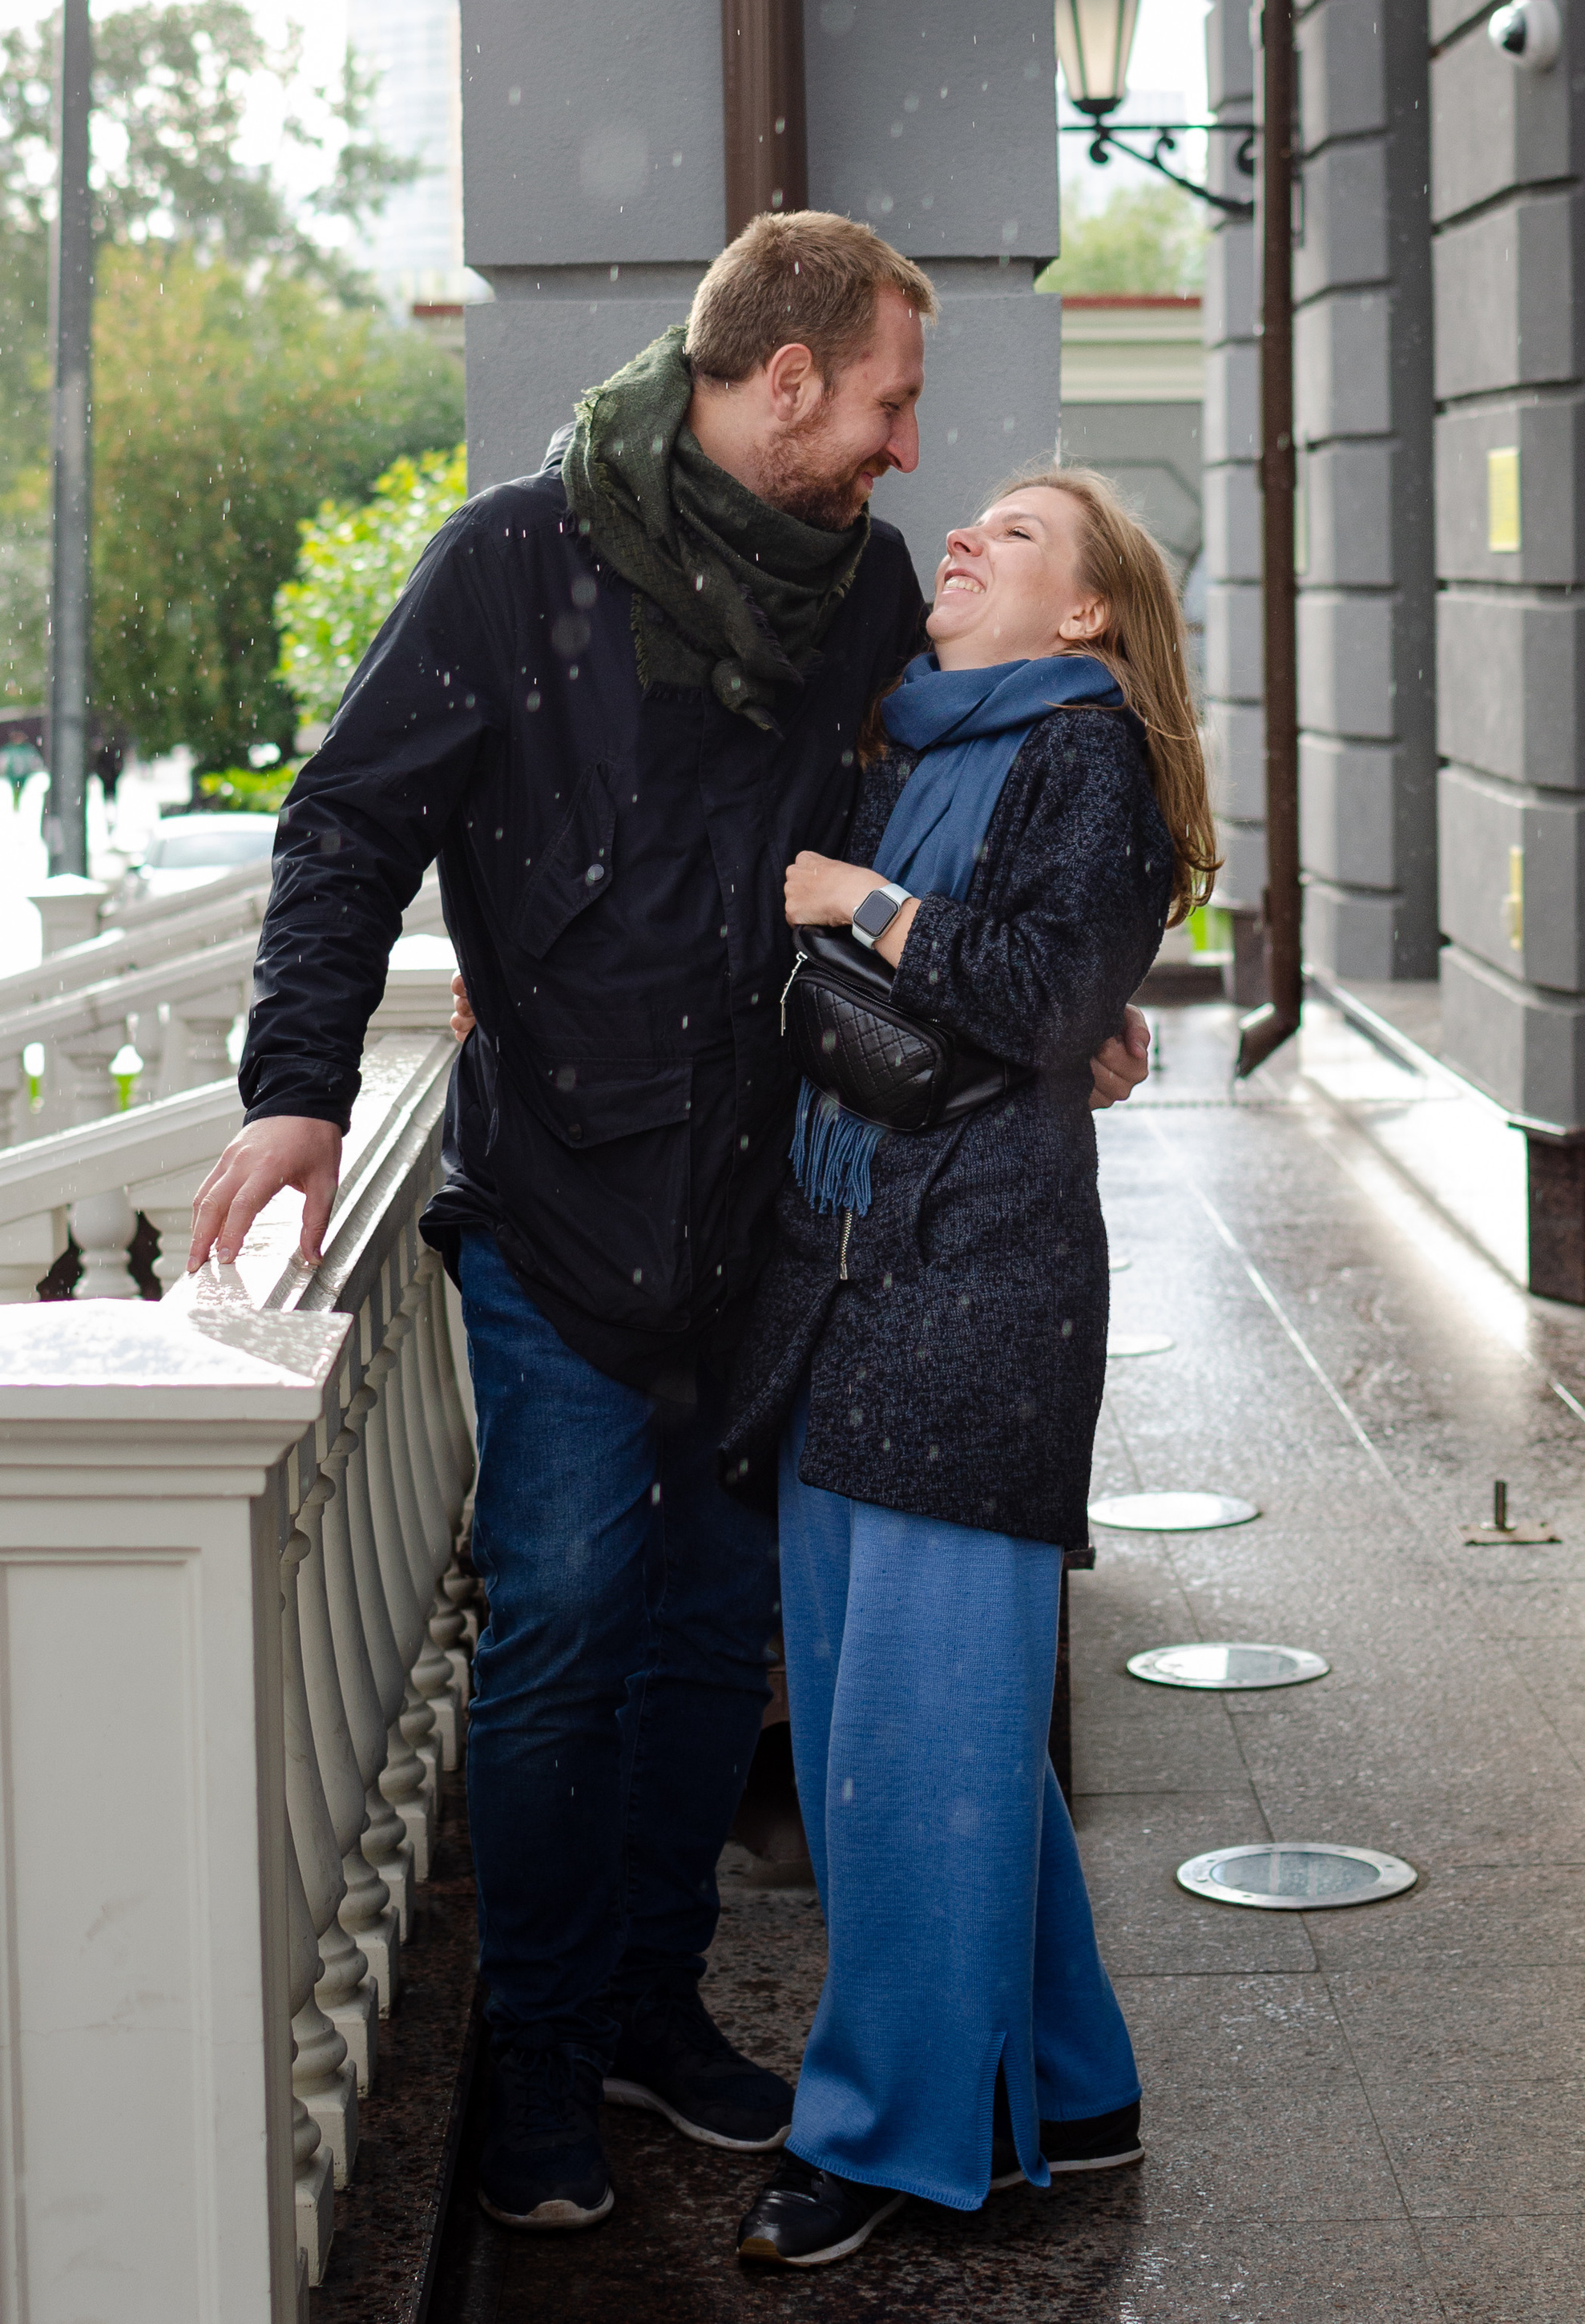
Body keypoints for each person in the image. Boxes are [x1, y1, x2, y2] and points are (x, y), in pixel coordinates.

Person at [186, 213, 1151, 2234]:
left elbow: (941, 808)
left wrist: (1068, 982)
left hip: (765, 1220)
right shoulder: (508, 567)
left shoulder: (864, 595)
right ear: (782, 379)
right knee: (555, 1633)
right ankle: (537, 2054)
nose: (903, 453)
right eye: (887, 402)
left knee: (717, 1638)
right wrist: (295, 1093)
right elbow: (349, 823)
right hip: (548, 1204)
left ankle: (649, 2000)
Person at [720, 465, 1216, 2268]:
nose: (962, 539)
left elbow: (1038, 997)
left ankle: (883, 2139)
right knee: (918, 1726)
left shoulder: (1081, 753)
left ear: (1084, 613)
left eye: (1012, 533)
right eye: (967, 522)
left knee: (903, 1757)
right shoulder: (926, 743)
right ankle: (1071, 2084)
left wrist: (865, 906)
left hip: (969, 1297)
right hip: (855, 1280)